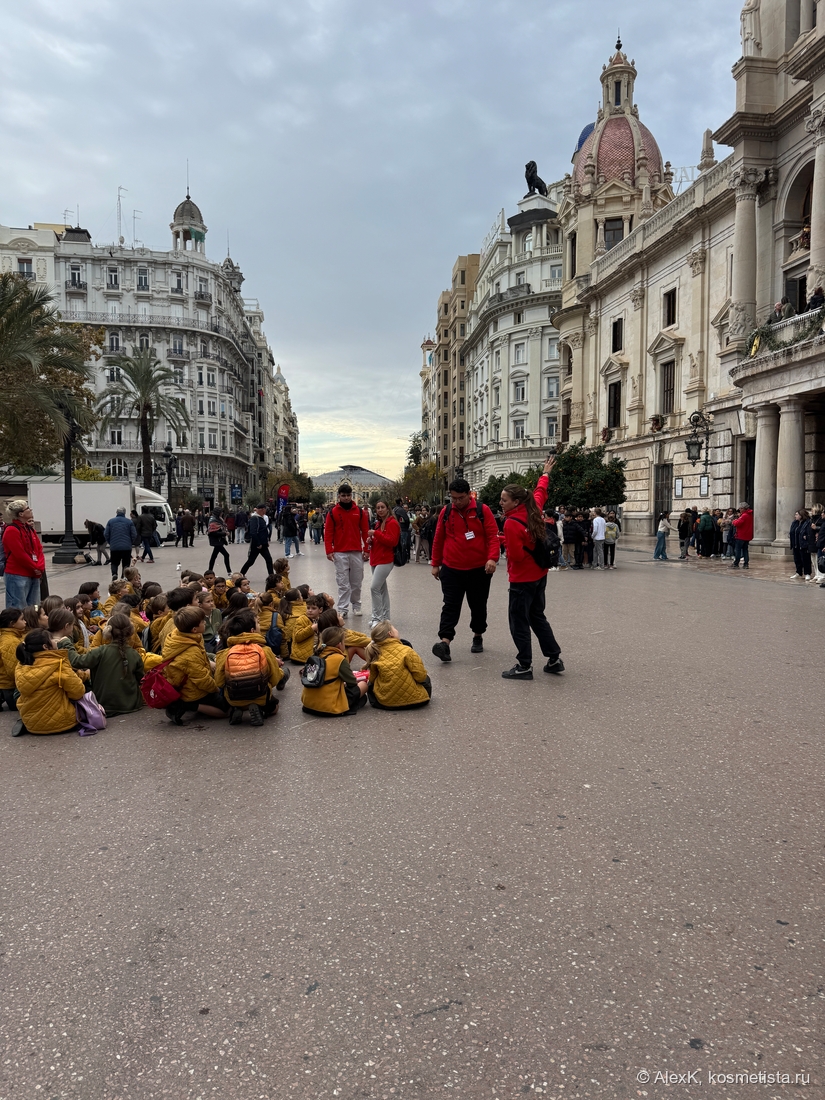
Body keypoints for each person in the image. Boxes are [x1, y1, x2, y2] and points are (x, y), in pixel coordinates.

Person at [498, 457, 564, 680]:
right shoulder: (534, 508)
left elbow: (515, 556)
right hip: (539, 574)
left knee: (518, 621)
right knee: (537, 616)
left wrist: (504, 542)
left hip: (521, 579)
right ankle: (554, 658)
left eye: (504, 500)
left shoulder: (510, 523)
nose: (501, 503)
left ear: (516, 502)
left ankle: (524, 665)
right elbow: (540, 491)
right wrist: (545, 473)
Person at [430, 479, 499, 662]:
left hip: (479, 569)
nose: (457, 502)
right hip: (452, 568)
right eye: (453, 498)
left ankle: (478, 635)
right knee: (450, 605)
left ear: (469, 494)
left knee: (477, 605)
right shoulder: (446, 512)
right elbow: (438, 538)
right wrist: (435, 564)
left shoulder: (482, 511)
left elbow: (493, 536)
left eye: (460, 498)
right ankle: (445, 642)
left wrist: (492, 558)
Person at [64, 613, 146, 715]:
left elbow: (76, 661)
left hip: (104, 705)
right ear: (130, 631)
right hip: (131, 705)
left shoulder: (100, 651)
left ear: (108, 631)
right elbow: (141, 679)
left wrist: (66, 643)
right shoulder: (134, 654)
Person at [214, 607, 284, 726]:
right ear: (252, 631)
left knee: (236, 696)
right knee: (275, 708)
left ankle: (238, 708)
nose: (259, 625)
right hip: (260, 695)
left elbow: (219, 681)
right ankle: (257, 706)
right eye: (258, 623)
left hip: (233, 697)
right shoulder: (265, 650)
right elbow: (275, 678)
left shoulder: (225, 653)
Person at [161, 606, 228, 724]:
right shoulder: (190, 652)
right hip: (192, 690)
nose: (205, 623)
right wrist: (216, 689)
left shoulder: (180, 636)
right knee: (227, 710)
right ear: (194, 629)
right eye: (202, 622)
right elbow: (202, 679)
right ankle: (189, 705)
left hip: (186, 682)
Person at [12, 629, 86, 736]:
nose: (55, 641)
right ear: (45, 647)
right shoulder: (58, 663)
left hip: (31, 724)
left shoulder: (21, 665)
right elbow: (78, 692)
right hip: (62, 723)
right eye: (52, 639)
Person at [300, 625, 368, 717]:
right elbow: (352, 682)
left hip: (308, 704)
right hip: (329, 707)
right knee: (363, 685)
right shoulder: (339, 659)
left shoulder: (316, 655)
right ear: (339, 644)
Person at [324, 484, 370, 617]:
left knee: (357, 581)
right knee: (342, 582)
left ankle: (356, 605)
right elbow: (328, 533)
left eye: (348, 495)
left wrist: (367, 549)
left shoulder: (360, 511)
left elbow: (365, 531)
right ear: (339, 496)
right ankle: (343, 609)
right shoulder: (332, 512)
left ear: (351, 495)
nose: (346, 498)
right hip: (340, 552)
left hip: (356, 551)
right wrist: (329, 550)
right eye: (343, 495)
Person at [365, 622, 431, 709]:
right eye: (394, 628)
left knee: (371, 684)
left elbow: (372, 679)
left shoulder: (376, 652)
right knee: (426, 677)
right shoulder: (407, 650)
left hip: (385, 703)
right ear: (390, 633)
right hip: (415, 701)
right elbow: (420, 676)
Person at [2, 501, 46, 609]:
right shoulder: (11, 530)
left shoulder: (29, 528)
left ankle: (32, 624)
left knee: (34, 606)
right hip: (17, 574)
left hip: (33, 573)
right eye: (28, 508)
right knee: (17, 606)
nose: (31, 510)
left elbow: (39, 549)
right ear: (21, 514)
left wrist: (40, 567)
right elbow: (19, 554)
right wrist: (35, 567)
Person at [367, 500, 400, 628]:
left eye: (382, 507)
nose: (380, 510)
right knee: (381, 589)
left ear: (387, 508)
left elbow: (392, 541)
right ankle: (385, 618)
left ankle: (377, 618)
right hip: (376, 558)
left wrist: (376, 534)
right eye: (378, 507)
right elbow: (380, 540)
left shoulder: (392, 523)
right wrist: (371, 540)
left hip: (385, 560)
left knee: (374, 588)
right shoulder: (379, 523)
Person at [0, 606, 27, 710]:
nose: (25, 622)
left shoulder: (12, 637)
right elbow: (13, 670)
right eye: (22, 619)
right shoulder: (11, 642)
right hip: (9, 687)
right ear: (12, 624)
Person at [239, 503, 274, 577]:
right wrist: (258, 543)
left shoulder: (260, 518)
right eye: (265, 509)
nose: (266, 511)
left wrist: (266, 541)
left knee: (269, 560)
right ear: (262, 509)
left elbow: (263, 531)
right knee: (251, 561)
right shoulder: (255, 518)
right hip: (257, 544)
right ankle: (241, 574)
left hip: (263, 544)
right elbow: (253, 532)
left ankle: (271, 576)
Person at [104, 507, 138, 580]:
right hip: (126, 547)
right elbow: (134, 534)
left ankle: (114, 574)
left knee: (114, 562)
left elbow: (106, 534)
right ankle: (124, 576)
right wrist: (130, 542)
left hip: (114, 547)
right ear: (125, 513)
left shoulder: (110, 521)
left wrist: (111, 542)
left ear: (116, 512)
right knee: (126, 563)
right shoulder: (129, 522)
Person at [789, 508, 813, 581]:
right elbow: (792, 531)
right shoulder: (794, 523)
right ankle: (798, 572)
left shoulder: (807, 522)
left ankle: (807, 573)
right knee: (797, 559)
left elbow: (808, 531)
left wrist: (806, 536)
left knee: (805, 559)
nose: (795, 516)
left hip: (803, 544)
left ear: (801, 515)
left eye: (797, 514)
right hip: (795, 544)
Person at [206, 507, 231, 573]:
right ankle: (229, 572)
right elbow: (213, 532)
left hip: (219, 540)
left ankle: (209, 571)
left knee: (214, 556)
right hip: (216, 541)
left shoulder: (219, 519)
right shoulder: (213, 520)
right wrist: (224, 533)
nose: (222, 513)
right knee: (226, 555)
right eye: (221, 512)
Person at [730, 501, 753, 569]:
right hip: (747, 535)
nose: (739, 510)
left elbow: (738, 523)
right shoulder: (750, 515)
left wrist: (734, 521)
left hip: (741, 535)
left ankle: (736, 563)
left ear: (743, 508)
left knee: (738, 550)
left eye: (740, 508)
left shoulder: (744, 515)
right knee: (745, 550)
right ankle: (746, 563)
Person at [393, 499, 411, 563]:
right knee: (404, 544)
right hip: (403, 529)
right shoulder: (401, 510)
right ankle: (404, 557)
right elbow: (406, 519)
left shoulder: (394, 509)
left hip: (396, 528)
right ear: (400, 502)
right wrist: (406, 526)